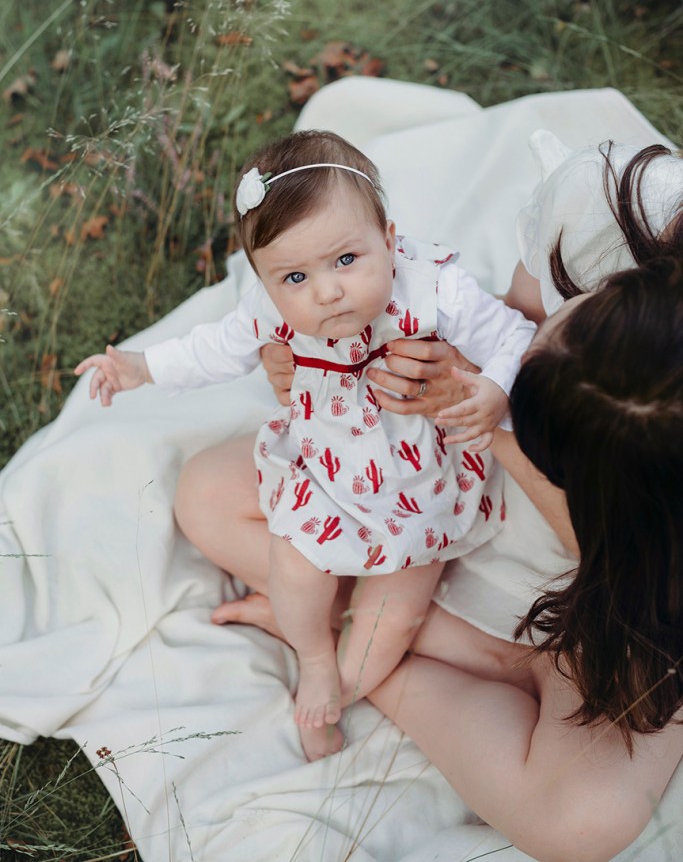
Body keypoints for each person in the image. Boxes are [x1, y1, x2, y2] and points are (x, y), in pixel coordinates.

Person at [169, 116, 683, 861]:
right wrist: (389, 368)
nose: (535, 342)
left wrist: (504, 435)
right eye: (556, 341)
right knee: (207, 495)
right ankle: (378, 637)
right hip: (446, 485)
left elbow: (634, 579)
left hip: (612, 589)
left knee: (579, 820)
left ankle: (355, 639)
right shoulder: (612, 202)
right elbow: (503, 325)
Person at [74, 128, 535, 761]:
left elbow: (512, 334)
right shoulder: (270, 309)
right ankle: (315, 655)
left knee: (392, 614)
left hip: (418, 488)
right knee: (294, 565)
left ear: (391, 241)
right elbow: (212, 350)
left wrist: (495, 389)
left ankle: (341, 688)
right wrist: (140, 367)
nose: (326, 292)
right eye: (295, 275)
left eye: (347, 260)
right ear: (266, 281)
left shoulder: (432, 289)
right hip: (327, 469)